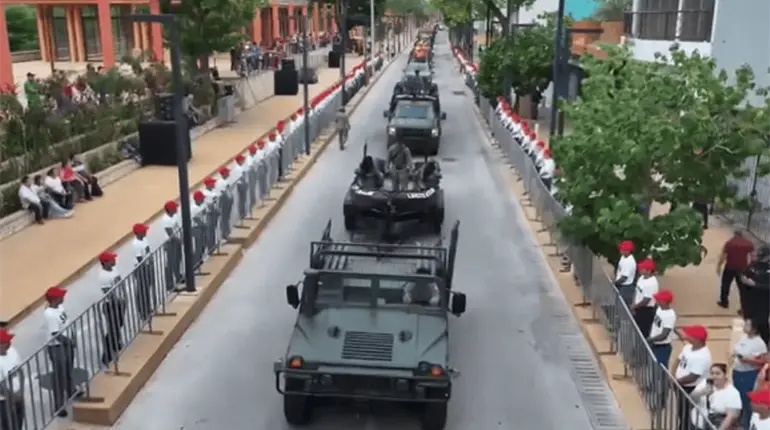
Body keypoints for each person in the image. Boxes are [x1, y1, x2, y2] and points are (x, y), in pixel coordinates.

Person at [43, 286, 77, 417]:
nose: (63, 297)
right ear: (55, 299)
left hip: (66, 344)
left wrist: (73, 337)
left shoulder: (60, 308)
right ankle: (58, 405)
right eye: (61, 296)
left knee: (68, 370)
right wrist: (69, 341)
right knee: (59, 376)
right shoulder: (49, 314)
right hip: (57, 347)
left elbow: (67, 322)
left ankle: (71, 391)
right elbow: (55, 333)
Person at [674, 325, 713, 430]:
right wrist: (672, 375)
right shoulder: (687, 347)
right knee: (681, 412)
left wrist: (676, 382)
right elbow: (678, 360)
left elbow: (693, 376)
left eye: (689, 335)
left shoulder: (703, 356)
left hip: (691, 389)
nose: (686, 336)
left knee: (688, 415)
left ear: (697, 339)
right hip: (681, 385)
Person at [733, 318, 769, 428]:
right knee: (737, 398)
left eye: (747, 325)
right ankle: (738, 420)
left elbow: (763, 361)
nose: (745, 327)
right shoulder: (743, 337)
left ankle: (746, 424)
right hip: (738, 372)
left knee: (747, 401)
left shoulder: (759, 343)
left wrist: (747, 360)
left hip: (748, 374)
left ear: (754, 329)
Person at [690, 363, 742, 430]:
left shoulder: (732, 393)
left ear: (725, 375)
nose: (714, 376)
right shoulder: (705, 383)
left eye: (717, 373)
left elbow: (731, 416)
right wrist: (702, 392)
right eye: (712, 373)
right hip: (696, 422)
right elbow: (691, 398)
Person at [97, 251, 126, 365]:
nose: (114, 260)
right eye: (111, 259)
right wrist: (118, 301)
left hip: (119, 302)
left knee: (119, 324)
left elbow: (120, 281)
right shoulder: (103, 276)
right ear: (105, 263)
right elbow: (108, 292)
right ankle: (107, 354)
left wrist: (124, 297)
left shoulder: (114, 270)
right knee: (113, 328)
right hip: (111, 305)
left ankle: (116, 344)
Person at [717, 228, 755, 310]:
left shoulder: (729, 243)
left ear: (734, 234)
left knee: (725, 285)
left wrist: (719, 266)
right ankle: (743, 307)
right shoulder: (748, 243)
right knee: (743, 288)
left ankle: (724, 302)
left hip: (730, 267)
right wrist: (751, 267)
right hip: (742, 268)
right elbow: (752, 256)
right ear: (742, 234)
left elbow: (723, 256)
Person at [741, 245, 770, 342]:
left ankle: (762, 346)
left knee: (760, 325)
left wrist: (754, 285)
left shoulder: (751, 267)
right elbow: (744, 283)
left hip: (758, 303)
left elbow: (744, 284)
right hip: (759, 303)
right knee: (759, 325)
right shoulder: (751, 267)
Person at [0, 329, 24, 430]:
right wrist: (12, 397)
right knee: (8, 426)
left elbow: (21, 371)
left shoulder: (12, 351)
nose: (9, 343)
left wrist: (21, 391)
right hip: (5, 401)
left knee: (19, 422)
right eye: (6, 342)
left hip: (18, 396)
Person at [647, 290, 677, 367]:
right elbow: (655, 325)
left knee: (660, 370)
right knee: (653, 367)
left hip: (662, 347)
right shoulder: (659, 309)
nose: (656, 300)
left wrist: (650, 340)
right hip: (654, 344)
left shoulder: (670, 315)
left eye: (658, 299)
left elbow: (664, 335)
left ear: (663, 301)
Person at [131, 223, 154, 322]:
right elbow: (140, 259)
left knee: (147, 288)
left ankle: (148, 308)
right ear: (138, 233)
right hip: (140, 268)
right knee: (142, 290)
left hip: (147, 266)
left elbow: (148, 251)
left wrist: (151, 263)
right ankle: (142, 311)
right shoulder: (136, 244)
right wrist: (147, 269)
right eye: (144, 231)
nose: (146, 232)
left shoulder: (144, 239)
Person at [631, 259, 659, 338]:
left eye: (642, 268)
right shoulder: (641, 278)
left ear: (649, 270)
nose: (640, 269)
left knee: (643, 333)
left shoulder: (651, 283)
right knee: (636, 331)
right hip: (637, 307)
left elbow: (646, 300)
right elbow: (636, 292)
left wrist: (634, 307)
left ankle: (641, 349)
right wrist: (633, 304)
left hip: (646, 310)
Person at [162, 201, 183, 286]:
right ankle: (170, 283)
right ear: (170, 209)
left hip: (176, 241)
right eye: (175, 207)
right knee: (171, 262)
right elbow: (170, 234)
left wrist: (181, 237)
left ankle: (178, 276)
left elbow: (177, 227)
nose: (176, 208)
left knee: (177, 260)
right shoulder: (166, 219)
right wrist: (180, 241)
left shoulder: (173, 216)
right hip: (171, 243)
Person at [615, 240, 637, 306]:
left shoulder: (629, 262)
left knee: (623, 306)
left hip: (626, 287)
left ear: (628, 251)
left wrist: (614, 284)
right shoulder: (624, 257)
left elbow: (624, 278)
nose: (620, 250)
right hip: (622, 286)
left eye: (623, 249)